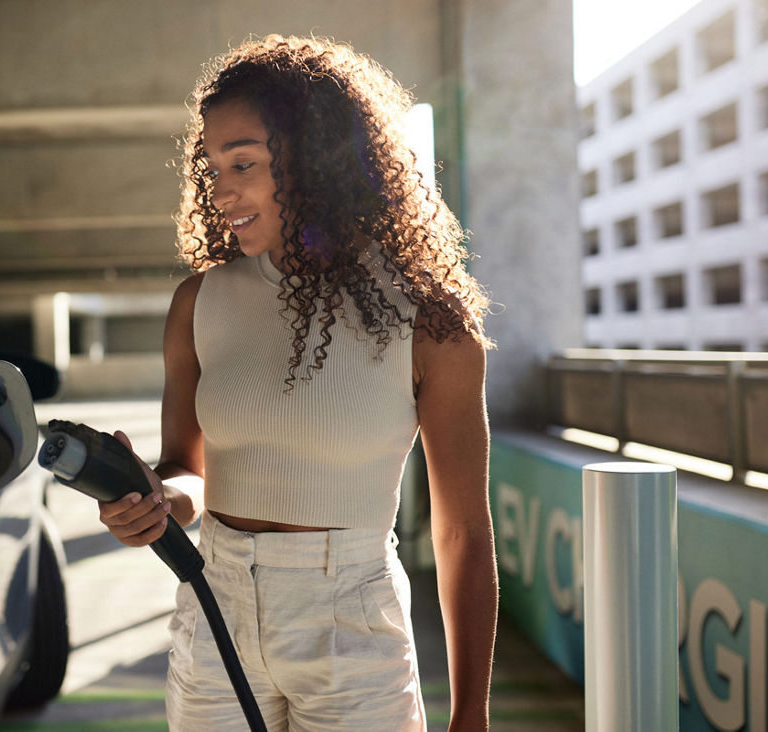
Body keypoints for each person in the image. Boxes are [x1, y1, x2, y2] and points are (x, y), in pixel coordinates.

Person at [99, 35, 497, 731]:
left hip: (353, 628)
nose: (221, 191)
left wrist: (471, 717)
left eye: (244, 163)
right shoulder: (198, 304)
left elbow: (462, 532)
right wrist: (160, 499)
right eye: (213, 167)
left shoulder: (431, 322)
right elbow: (188, 474)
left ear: (315, 158)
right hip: (214, 610)